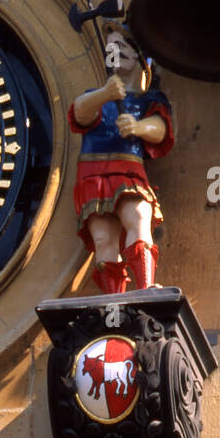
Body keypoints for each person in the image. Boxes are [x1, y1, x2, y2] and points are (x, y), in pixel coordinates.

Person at [68, 22, 173, 293]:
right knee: (104, 239)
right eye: (110, 49)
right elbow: (80, 113)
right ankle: (113, 298)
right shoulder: (96, 97)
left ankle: (146, 286)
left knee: (138, 216)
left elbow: (161, 129)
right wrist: (105, 94)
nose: (115, 52)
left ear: (141, 59)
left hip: (128, 170)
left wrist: (139, 127)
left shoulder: (149, 100)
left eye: (122, 46)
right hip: (93, 173)